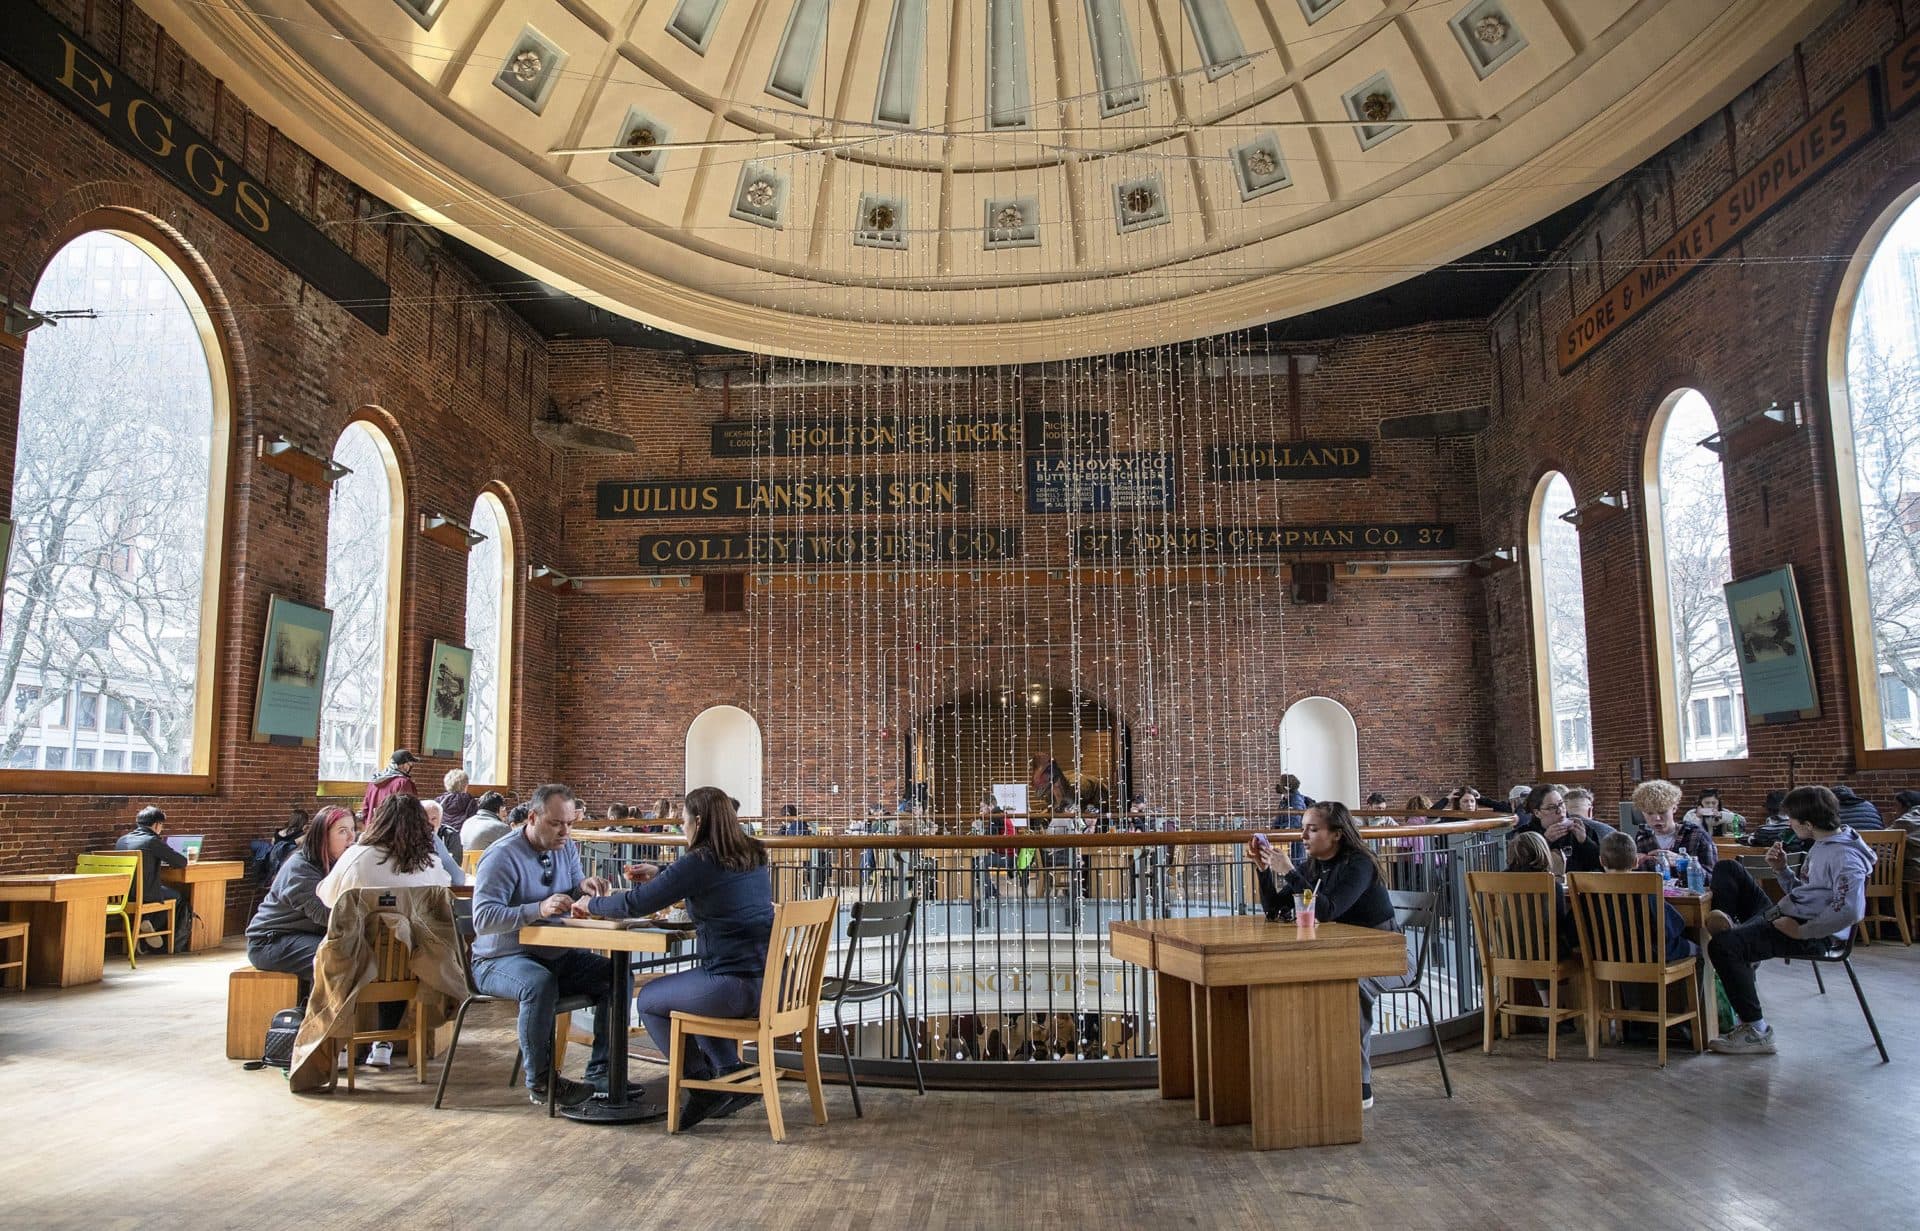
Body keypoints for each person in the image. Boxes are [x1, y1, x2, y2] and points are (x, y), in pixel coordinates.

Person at [577, 786, 775, 1129]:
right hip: (771, 984)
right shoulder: (753, 854)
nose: (681, 828)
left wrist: (590, 905)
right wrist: (661, 874)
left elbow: (634, 905)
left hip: (732, 987)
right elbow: (711, 883)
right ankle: (730, 1072)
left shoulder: (702, 861)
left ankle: (701, 1085)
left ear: (697, 822)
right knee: (692, 996)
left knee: (651, 1000)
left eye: (683, 822)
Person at [1245, 802, 1404, 1110]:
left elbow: (1328, 910)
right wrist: (1264, 871)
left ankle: (1359, 1083)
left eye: (1312, 829)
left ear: (1337, 835)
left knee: (1349, 985)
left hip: (1388, 955)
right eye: (1303, 827)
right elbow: (1276, 909)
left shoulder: (1359, 864)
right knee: (1303, 979)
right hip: (1343, 952)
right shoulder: (1314, 866)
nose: (1303, 835)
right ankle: (1311, 1072)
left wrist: (1289, 871)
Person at [470, 783, 619, 1107]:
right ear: (533, 818)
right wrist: (537, 909)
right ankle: (541, 1083)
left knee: (616, 975)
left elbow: (571, 885)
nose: (565, 831)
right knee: (539, 984)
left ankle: (603, 1071)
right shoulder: (501, 856)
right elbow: (483, 918)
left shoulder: (565, 845)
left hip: (553, 951)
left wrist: (585, 886)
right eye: (556, 823)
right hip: (500, 958)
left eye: (569, 823)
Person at [1705, 786, 1876, 1055]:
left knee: (1722, 946)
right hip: (1790, 913)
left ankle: (1756, 1030)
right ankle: (1734, 930)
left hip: (1812, 935)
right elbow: (1808, 893)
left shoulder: (1844, 855)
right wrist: (1782, 870)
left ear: (1807, 824)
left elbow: (1851, 910)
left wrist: (1802, 932)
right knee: (1728, 868)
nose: (1789, 823)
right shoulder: (1823, 843)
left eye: (1792, 819)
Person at [317, 795, 453, 1066]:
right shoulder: (430, 863)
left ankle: (342, 1047)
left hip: (352, 962)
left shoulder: (357, 856)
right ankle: (384, 1044)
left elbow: (328, 896)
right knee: (399, 948)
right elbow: (445, 895)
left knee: (342, 952)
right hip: (409, 966)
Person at [245, 805, 355, 1006]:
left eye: (352, 829)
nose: (351, 838)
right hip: (271, 941)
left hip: (303, 935)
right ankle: (314, 1023)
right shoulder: (300, 867)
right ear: (323, 835)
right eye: (342, 831)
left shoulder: (335, 863)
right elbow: (324, 915)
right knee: (332, 957)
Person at [1598, 832, 1693, 961]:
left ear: (1601, 860)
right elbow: (1673, 926)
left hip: (1606, 956)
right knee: (1697, 949)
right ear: (1636, 862)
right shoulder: (1646, 887)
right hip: (1651, 955)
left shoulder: (1590, 889)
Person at [114, 806, 194, 952]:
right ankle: (146, 929)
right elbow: (180, 862)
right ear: (157, 824)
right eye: (162, 825)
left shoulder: (121, 840)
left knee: (157, 890)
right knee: (176, 896)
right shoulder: (152, 841)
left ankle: (143, 927)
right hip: (145, 895)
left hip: (122, 896)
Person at [1516, 784, 1616, 873]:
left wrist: (1585, 841)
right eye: (1551, 807)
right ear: (1537, 813)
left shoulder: (1580, 828)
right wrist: (1544, 841)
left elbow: (1601, 866)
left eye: (1561, 804)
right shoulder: (1526, 834)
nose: (1560, 811)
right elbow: (1520, 870)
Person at [1507, 830, 1575, 955]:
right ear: (1544, 853)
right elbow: (1559, 926)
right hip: (1545, 954)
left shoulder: (1496, 883)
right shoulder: (1552, 885)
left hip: (1507, 951)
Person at [1630, 779, 1717, 873]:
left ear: (1674, 808)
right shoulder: (1642, 837)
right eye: (1650, 813)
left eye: (1662, 812)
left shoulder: (1697, 835)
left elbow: (1714, 878)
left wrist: (1683, 862)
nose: (1657, 818)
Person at [361, 749, 418, 819]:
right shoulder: (403, 783)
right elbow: (407, 811)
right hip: (392, 828)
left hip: (373, 827)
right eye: (410, 764)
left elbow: (365, 809)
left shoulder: (373, 782)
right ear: (404, 765)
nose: (411, 767)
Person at [420, 798, 466, 886]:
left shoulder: (450, 835)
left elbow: (455, 871)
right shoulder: (416, 838)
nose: (429, 823)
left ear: (441, 820)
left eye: (433, 819)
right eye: (424, 819)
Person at [1891, 790, 1920, 889]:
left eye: (1896, 805)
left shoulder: (1905, 821)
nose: (1894, 810)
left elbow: (1881, 840)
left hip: (1916, 872)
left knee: (1884, 874)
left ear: (1905, 806)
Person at [438, 769, 478, 833]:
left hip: (443, 837)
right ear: (465, 785)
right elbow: (474, 823)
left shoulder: (439, 801)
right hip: (462, 838)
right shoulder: (470, 801)